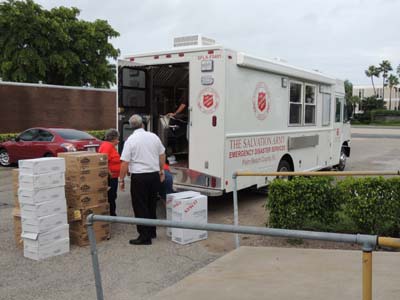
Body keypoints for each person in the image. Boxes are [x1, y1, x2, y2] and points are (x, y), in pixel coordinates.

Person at [119, 114, 166, 245]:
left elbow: (124, 163)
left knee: (140, 206)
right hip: (153, 175)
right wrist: (161, 170)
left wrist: (121, 180)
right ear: (143, 124)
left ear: (130, 126)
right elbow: (162, 154)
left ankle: (144, 237)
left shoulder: (131, 140)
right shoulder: (154, 137)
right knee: (151, 204)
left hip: (139, 177)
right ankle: (152, 231)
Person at [98, 129, 121, 216]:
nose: (118, 140)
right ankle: (111, 214)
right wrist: (109, 172)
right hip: (110, 177)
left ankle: (111, 213)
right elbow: (103, 160)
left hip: (113, 176)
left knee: (112, 195)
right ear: (113, 138)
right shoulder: (107, 146)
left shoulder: (110, 146)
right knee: (111, 196)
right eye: (117, 138)